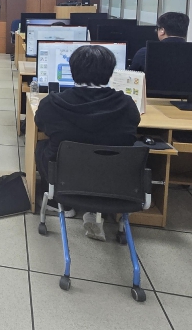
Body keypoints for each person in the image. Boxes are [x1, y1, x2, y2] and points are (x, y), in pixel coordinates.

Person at [35, 45, 140, 241]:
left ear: (72, 71)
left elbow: (40, 123)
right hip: (113, 181)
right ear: (110, 73)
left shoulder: (52, 103)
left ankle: (60, 203)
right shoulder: (127, 105)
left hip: (65, 179)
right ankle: (98, 209)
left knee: (41, 146)